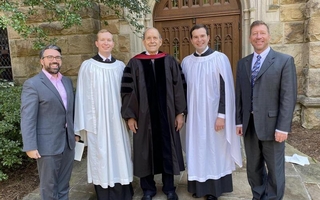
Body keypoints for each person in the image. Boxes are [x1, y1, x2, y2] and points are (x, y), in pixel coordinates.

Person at [121, 27, 186, 200]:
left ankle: (169, 188)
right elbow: (128, 91)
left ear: (160, 41)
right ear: (143, 41)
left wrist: (180, 113)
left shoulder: (170, 61)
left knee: (168, 149)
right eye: (148, 38)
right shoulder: (134, 63)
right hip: (143, 118)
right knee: (144, 151)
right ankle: (148, 189)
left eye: (155, 38)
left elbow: (179, 87)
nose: (151, 41)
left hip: (168, 116)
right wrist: (130, 116)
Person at [235, 20, 297, 200]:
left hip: (273, 126)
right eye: (255, 34)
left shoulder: (284, 61)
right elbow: (240, 94)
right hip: (250, 126)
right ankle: (258, 195)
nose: (258, 37)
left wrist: (283, 127)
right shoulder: (243, 63)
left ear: (269, 36)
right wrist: (239, 121)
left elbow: (288, 97)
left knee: (275, 170)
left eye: (262, 33)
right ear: (250, 38)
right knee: (253, 168)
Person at [180, 24, 242, 200]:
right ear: (191, 40)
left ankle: (214, 189)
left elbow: (226, 90)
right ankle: (198, 187)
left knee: (215, 150)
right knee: (197, 149)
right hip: (194, 117)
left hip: (215, 116)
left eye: (202, 36)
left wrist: (222, 115)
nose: (199, 39)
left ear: (208, 37)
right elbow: (182, 90)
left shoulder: (219, 59)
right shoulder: (186, 62)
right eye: (195, 37)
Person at [74, 29, 133, 200]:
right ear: (97, 43)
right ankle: (104, 192)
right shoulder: (88, 66)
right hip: (97, 120)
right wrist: (81, 125)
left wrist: (129, 116)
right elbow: (82, 96)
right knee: (101, 153)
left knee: (120, 152)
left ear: (113, 43)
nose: (106, 43)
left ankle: (123, 189)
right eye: (103, 40)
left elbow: (127, 95)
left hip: (117, 120)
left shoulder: (120, 66)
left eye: (109, 40)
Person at [21, 44, 78, 200]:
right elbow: (28, 117)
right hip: (47, 145)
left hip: (68, 143)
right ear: (42, 61)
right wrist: (30, 146)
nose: (55, 60)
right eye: (50, 57)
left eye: (58, 57)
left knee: (64, 185)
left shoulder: (66, 81)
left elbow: (70, 111)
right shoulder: (33, 84)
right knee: (49, 188)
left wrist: (75, 133)